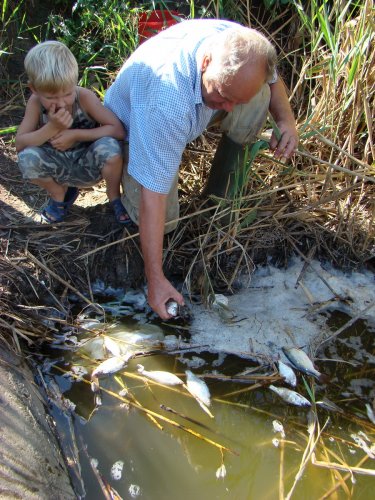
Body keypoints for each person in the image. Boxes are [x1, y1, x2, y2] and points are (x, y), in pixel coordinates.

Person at [104, 19, 298, 319]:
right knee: (164, 221)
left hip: (184, 105)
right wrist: (155, 280)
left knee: (258, 96)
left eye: (235, 100)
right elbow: (152, 197)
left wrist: (286, 122)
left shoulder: (242, 46)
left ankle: (217, 201)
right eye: (223, 95)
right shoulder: (166, 101)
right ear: (205, 62)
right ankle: (131, 174)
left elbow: (269, 78)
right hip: (130, 128)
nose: (229, 108)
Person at [16, 40, 129, 224]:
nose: (61, 103)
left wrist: (75, 135)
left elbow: (117, 130)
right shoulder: (35, 103)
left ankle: (114, 196)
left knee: (110, 146)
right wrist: (51, 128)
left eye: (67, 94)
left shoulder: (84, 97)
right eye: (51, 97)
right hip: (57, 165)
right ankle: (58, 194)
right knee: (27, 158)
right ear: (34, 89)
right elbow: (20, 144)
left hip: (88, 163)